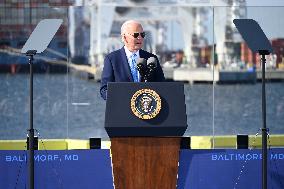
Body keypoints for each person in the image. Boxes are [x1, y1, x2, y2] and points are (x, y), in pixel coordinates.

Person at [100, 20, 165, 100]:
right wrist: (117, 98)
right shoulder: (112, 59)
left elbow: (162, 86)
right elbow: (104, 89)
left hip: (147, 109)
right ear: (124, 37)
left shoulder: (151, 59)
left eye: (142, 35)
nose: (140, 38)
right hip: (122, 108)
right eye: (136, 35)